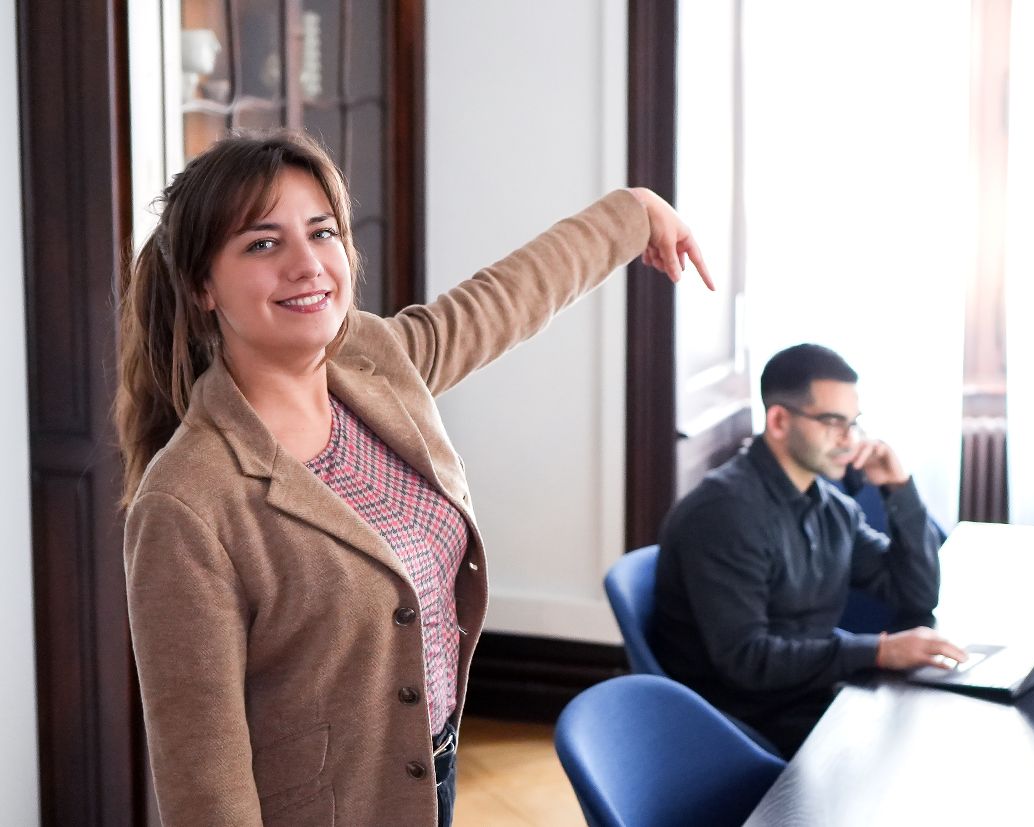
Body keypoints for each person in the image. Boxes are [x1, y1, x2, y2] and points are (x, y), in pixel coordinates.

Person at [116, 130, 712, 827]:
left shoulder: (374, 362)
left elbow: (502, 300)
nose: (308, 265)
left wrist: (632, 211)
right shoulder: (187, 500)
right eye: (262, 243)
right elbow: (203, 777)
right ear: (201, 285)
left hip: (431, 772)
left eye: (323, 232)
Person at [653, 343, 966, 757]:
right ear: (779, 421)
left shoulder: (832, 507)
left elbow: (917, 594)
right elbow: (747, 660)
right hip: (739, 724)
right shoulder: (725, 514)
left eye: (853, 424)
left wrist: (899, 489)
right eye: (833, 422)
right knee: (924, 752)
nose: (848, 439)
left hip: (810, 693)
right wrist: (877, 651)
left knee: (945, 730)